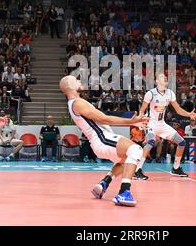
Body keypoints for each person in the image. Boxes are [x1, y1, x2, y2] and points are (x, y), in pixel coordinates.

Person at [60, 75, 147, 207]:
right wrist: (131, 121)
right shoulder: (77, 102)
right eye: (76, 80)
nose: (79, 81)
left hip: (100, 140)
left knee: (125, 160)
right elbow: (104, 119)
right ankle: (124, 192)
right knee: (136, 150)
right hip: (102, 138)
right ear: (71, 86)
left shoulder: (75, 103)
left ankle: (104, 183)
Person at [134, 74, 196, 180]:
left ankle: (176, 168)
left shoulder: (170, 93)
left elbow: (178, 109)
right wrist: (140, 120)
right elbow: (142, 110)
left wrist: (189, 114)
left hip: (162, 124)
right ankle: (137, 170)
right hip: (151, 122)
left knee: (182, 142)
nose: (164, 79)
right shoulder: (150, 94)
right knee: (150, 142)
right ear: (156, 81)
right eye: (161, 78)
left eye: (165, 78)